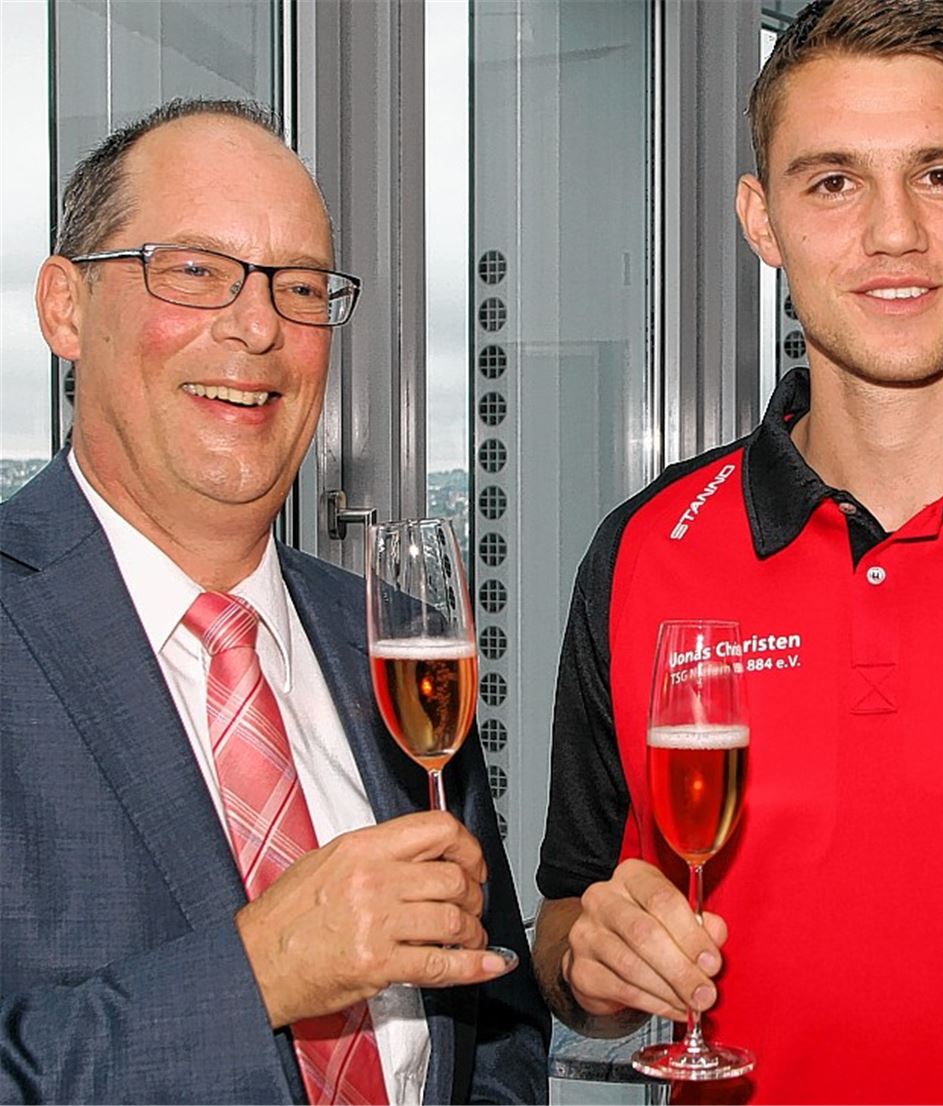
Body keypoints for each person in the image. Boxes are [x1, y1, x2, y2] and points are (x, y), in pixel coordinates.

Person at [532, 1, 943, 1102]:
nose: (893, 231)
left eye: (942, 175)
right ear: (761, 220)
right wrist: (590, 961)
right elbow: (568, 920)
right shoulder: (640, 551)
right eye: (833, 181)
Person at [0, 99, 549, 1105]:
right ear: (64, 308)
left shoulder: (387, 641)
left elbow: (499, 1025)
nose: (257, 326)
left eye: (299, 287)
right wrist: (257, 971)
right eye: (196, 270)